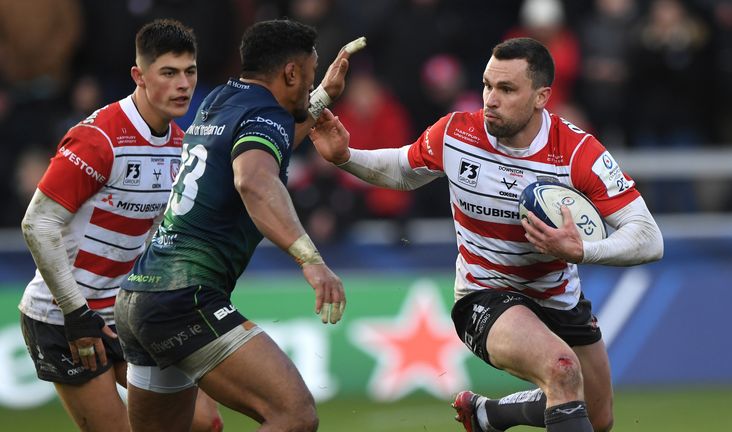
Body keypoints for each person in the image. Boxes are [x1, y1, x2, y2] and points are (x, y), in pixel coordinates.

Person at [310, 37, 664, 432]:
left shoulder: (578, 152)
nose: (491, 99)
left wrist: (584, 250)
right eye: (487, 85)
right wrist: (345, 156)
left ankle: (487, 415)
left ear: (541, 97)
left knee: (598, 419)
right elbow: (403, 168)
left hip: (558, 299)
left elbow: (648, 237)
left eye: (507, 89)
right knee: (563, 371)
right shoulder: (457, 134)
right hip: (485, 296)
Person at [114, 19, 363, 432]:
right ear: (291, 72)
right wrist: (310, 259)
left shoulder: (222, 99)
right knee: (295, 415)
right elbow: (254, 180)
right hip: (185, 298)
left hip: (140, 297)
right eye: (310, 75)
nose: (310, 85)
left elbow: (268, 144)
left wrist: (320, 97)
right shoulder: (265, 115)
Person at [18, 19, 223, 432]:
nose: (183, 84)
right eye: (168, 72)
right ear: (139, 76)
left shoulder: (180, 144)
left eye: (190, 71)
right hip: (64, 318)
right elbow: (37, 223)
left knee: (205, 423)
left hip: (125, 314)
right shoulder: (99, 139)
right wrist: (76, 315)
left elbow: (155, 236)